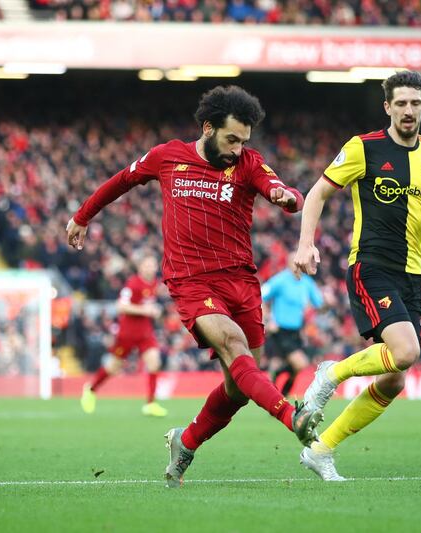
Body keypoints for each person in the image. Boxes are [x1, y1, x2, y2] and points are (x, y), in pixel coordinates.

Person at [66, 85, 323, 488]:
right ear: (208, 127)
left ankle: (184, 442)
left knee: (238, 388)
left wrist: (284, 197)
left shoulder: (248, 163)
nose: (238, 149)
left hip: (241, 281)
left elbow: (286, 190)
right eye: (231, 139)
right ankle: (293, 417)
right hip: (192, 282)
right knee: (235, 345)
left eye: (244, 141)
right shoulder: (168, 157)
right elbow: (121, 180)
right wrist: (82, 216)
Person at [292, 71, 421, 481]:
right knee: (407, 352)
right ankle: (331, 373)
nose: (408, 110)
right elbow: (318, 192)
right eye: (401, 103)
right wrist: (306, 244)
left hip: (413, 275)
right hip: (372, 265)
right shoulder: (363, 147)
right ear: (387, 107)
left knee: (394, 380)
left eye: (415, 103)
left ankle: (321, 450)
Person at [80, 254, 168, 417]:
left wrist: (155, 311)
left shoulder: (154, 284)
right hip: (127, 333)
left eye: (153, 265)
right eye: (147, 265)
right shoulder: (133, 283)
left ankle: (150, 404)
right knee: (114, 366)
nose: (151, 268)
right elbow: (121, 306)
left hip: (145, 332)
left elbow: (148, 304)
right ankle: (91, 389)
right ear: (140, 267)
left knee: (154, 362)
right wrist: (145, 310)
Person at [262, 257, 324, 395]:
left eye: (300, 263)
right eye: (295, 263)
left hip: (296, 331)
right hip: (280, 331)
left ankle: (280, 388)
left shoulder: (307, 283)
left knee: (296, 367)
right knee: (300, 364)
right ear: (289, 264)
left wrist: (327, 303)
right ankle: (281, 390)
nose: (298, 266)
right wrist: (268, 319)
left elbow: (319, 304)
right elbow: (261, 295)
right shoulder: (280, 280)